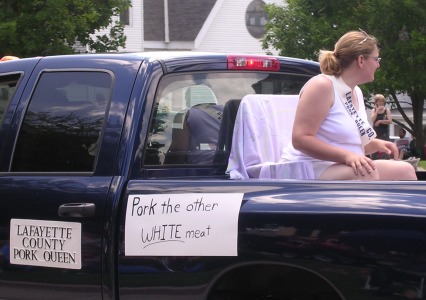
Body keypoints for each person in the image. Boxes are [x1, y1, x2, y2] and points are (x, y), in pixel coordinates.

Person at [280, 29, 417, 180]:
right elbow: (301, 139)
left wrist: (377, 144)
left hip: (337, 165)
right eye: (376, 59)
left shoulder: (356, 91)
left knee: (405, 170)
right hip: (308, 167)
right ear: (361, 60)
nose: (378, 65)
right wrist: (347, 156)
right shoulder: (322, 85)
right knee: (367, 172)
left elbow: (349, 143)